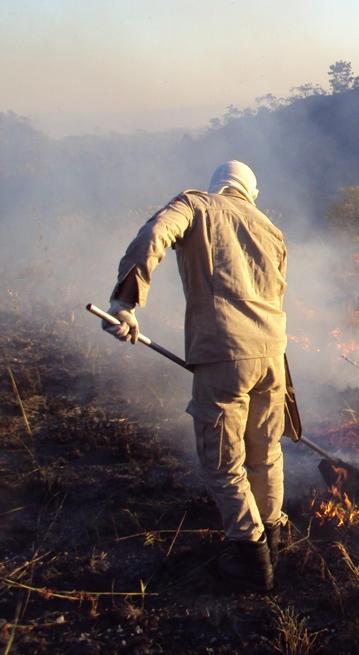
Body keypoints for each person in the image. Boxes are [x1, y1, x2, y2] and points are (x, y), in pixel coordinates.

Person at [101, 160, 288, 592]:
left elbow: (154, 236)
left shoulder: (196, 205)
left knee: (223, 462)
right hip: (273, 355)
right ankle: (274, 538)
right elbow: (277, 293)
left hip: (224, 353)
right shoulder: (271, 229)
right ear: (250, 193)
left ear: (218, 186)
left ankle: (251, 560)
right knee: (266, 452)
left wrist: (126, 302)